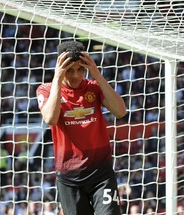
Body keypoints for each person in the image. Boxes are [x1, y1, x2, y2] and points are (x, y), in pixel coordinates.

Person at [36, 40, 127, 215]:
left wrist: (96, 74)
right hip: (69, 178)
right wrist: (57, 78)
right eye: (70, 70)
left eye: (80, 69)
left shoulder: (94, 87)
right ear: (60, 68)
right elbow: (50, 118)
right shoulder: (46, 90)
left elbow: (120, 111)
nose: (76, 75)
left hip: (101, 174)